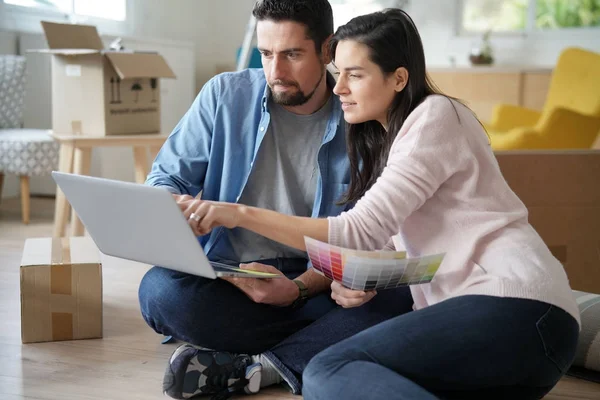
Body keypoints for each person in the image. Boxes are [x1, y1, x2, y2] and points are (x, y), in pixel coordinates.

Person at [184, 8, 581, 400]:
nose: (338, 88)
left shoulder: (436, 115)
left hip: (521, 308)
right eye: (339, 74)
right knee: (333, 370)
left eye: (355, 75)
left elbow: (356, 230)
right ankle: (262, 365)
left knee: (329, 370)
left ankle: (260, 367)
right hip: (498, 340)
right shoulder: (388, 140)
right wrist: (361, 278)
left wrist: (237, 214)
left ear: (398, 78)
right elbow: (392, 244)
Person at [139, 1, 415, 399]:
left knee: (400, 295)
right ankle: (319, 348)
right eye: (266, 54)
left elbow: (372, 235)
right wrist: (176, 211)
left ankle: (257, 367)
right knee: (161, 292)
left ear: (327, 50)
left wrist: (302, 287)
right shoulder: (224, 95)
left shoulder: (363, 116)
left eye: (292, 55)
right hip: (233, 276)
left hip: (319, 280)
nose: (276, 72)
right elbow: (165, 177)